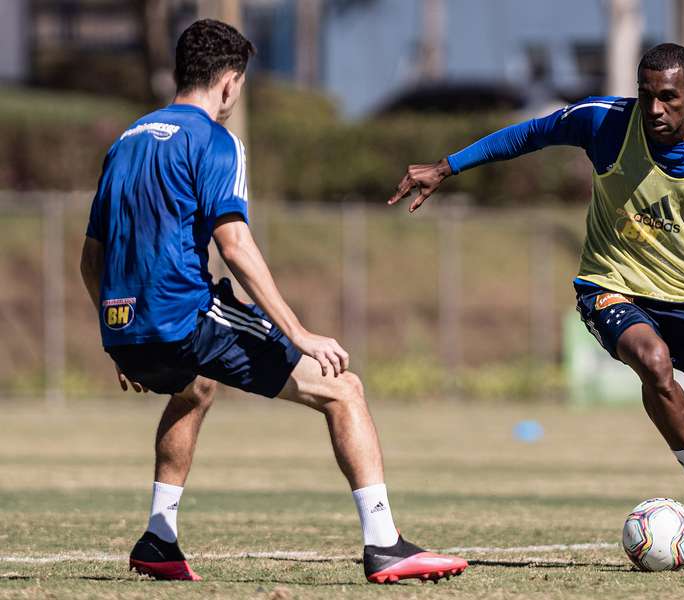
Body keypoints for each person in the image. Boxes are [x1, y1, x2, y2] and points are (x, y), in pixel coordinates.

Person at [389, 43, 684, 572]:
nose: (654, 110)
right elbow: (530, 134)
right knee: (653, 361)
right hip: (610, 285)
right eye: (646, 95)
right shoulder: (605, 122)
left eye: (669, 98)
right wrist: (447, 167)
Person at [79, 19, 467, 584]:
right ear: (231, 83)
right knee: (343, 389)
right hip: (186, 317)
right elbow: (234, 246)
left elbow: (91, 260)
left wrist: (118, 337)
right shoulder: (214, 140)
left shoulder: (125, 142)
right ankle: (386, 545)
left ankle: (159, 539)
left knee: (195, 387)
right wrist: (299, 334)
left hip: (123, 328)